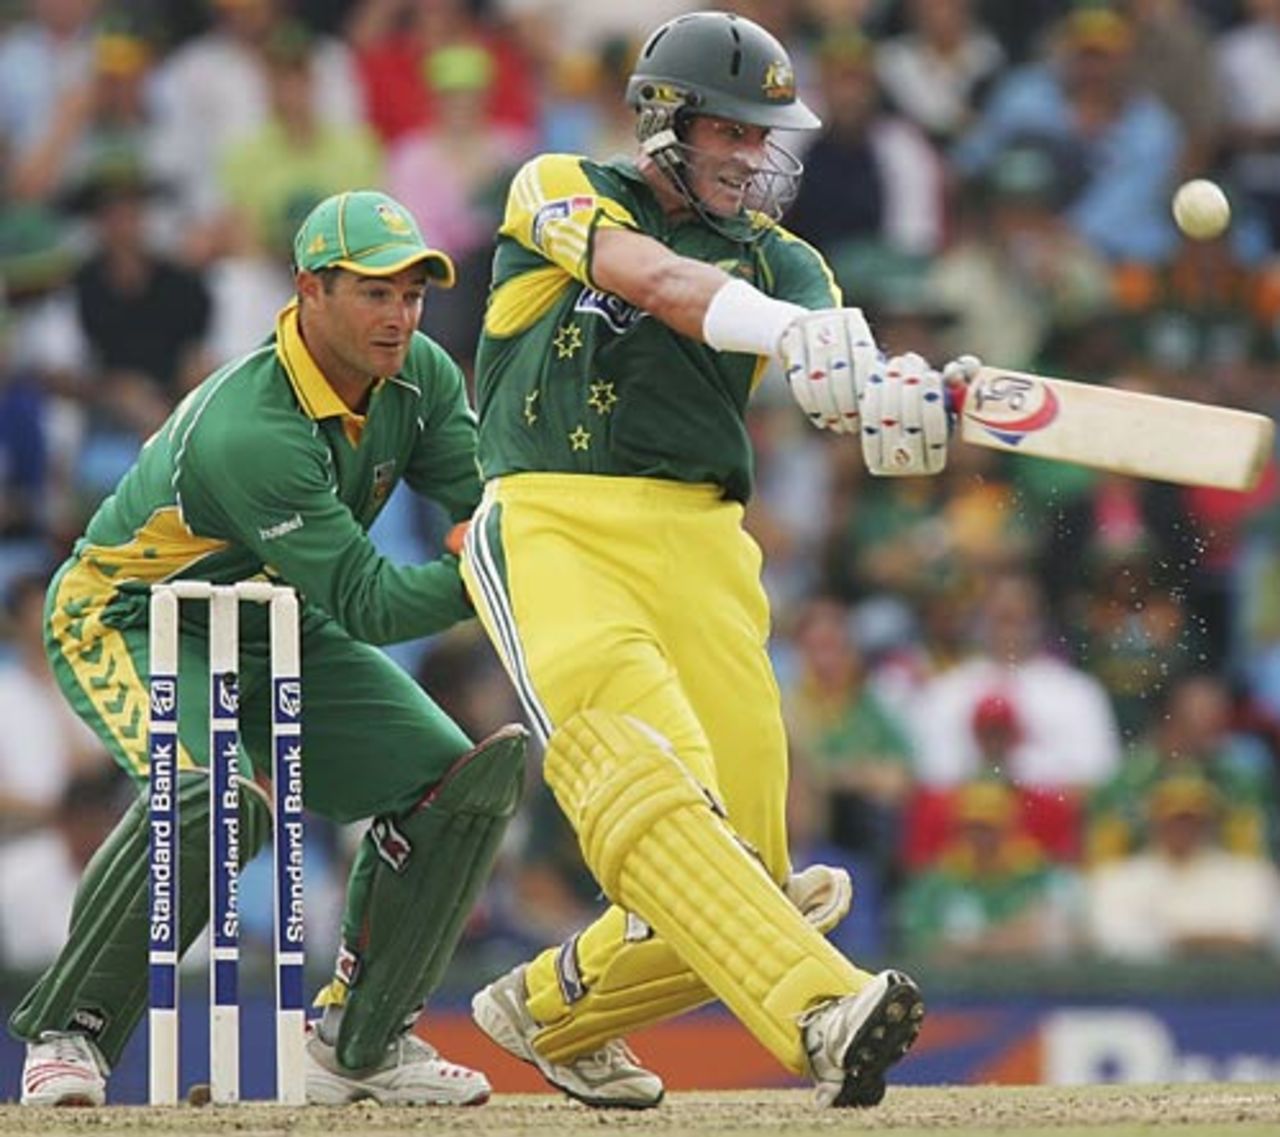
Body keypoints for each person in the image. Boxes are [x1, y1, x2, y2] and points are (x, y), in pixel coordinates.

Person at [461, 9, 971, 1111]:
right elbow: (652, 280)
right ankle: (820, 1013)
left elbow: (839, 384)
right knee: (656, 785)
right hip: (555, 521)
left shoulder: (788, 260)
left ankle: (550, 1012)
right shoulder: (558, 185)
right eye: (731, 131)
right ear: (664, 121)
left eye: (762, 135)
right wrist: (785, 332)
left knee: (745, 872)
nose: (753, 156)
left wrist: (898, 400)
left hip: (707, 546)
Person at [9, 188, 528, 1107]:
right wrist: (495, 569)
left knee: (455, 784)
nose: (400, 316)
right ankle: (70, 1032)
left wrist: (523, 539)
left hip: (277, 618)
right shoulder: (256, 428)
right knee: (215, 796)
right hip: (133, 616)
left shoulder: (421, 376)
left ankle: (362, 1044)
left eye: (412, 294)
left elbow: (484, 506)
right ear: (308, 291)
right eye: (374, 292)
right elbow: (371, 601)